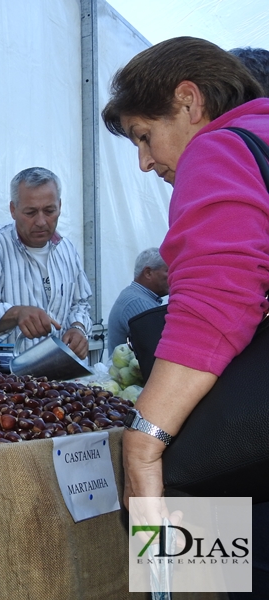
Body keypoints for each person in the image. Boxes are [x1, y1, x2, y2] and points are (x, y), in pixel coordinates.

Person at [102, 36, 268, 595]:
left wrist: (144, 439)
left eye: (144, 137)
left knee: (187, 498)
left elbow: (218, 303)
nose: (145, 162)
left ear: (190, 101)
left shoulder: (218, 149)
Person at [0, 167, 93, 359]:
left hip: (57, 378)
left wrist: (78, 328)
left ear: (60, 206)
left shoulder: (66, 249)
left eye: (49, 211)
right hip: (3, 380)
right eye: (30, 212)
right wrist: (16, 313)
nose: (41, 221)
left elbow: (80, 303)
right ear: (13, 210)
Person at [106, 247, 168, 356]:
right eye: (168, 271)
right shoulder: (138, 302)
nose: (173, 276)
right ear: (148, 273)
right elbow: (159, 348)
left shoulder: (135, 296)